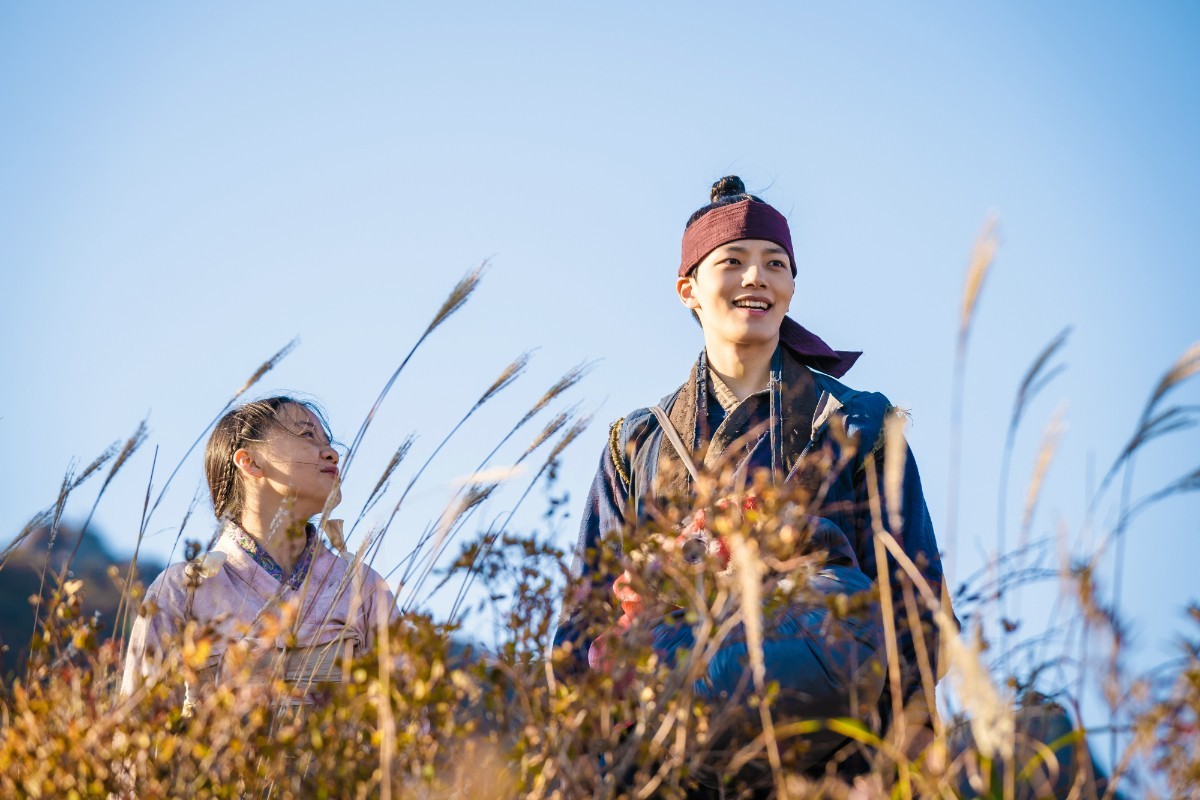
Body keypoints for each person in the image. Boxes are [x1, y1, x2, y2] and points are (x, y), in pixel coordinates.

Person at [553, 176, 948, 776]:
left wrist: (912, 751)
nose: (756, 278)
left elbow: (916, 604)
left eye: (775, 264)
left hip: (837, 755)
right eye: (732, 262)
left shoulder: (858, 423)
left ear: (791, 286)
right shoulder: (638, 445)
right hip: (673, 760)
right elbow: (583, 623)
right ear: (688, 289)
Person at [121, 396, 396, 698]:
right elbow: (140, 720)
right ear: (250, 461)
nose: (332, 454)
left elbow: (409, 721)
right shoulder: (184, 590)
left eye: (328, 443)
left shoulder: (362, 587)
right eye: (307, 435)